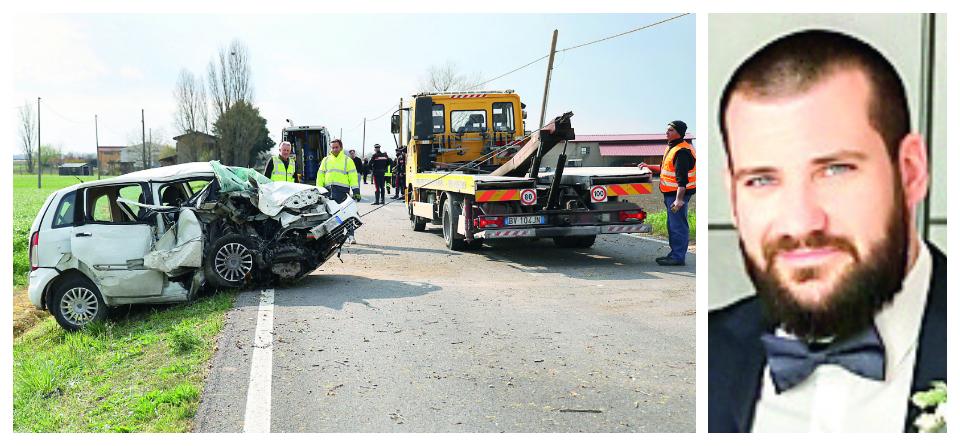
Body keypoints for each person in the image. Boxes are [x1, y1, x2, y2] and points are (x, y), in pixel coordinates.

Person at [709, 29, 946, 433]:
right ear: (733, 194)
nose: (800, 222)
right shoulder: (712, 353)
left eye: (835, 170)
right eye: (762, 180)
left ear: (910, 172)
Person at [639, 120, 695, 266]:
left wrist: (679, 200)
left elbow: (682, 179)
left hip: (677, 195)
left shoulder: (682, 151)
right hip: (670, 194)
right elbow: (665, 168)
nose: (667, 132)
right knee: (673, 224)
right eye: (667, 130)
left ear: (678, 133)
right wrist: (648, 166)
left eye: (670, 130)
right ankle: (674, 255)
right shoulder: (672, 147)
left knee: (677, 226)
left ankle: (677, 257)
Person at [316, 139, 361, 244]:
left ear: (341, 147)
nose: (334, 149)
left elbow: (353, 177)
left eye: (336, 147)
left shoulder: (347, 160)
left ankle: (351, 236)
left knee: (347, 214)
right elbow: (320, 176)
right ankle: (338, 237)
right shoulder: (326, 160)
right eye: (332, 147)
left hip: (342, 191)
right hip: (328, 191)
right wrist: (319, 190)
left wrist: (356, 191)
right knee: (333, 216)